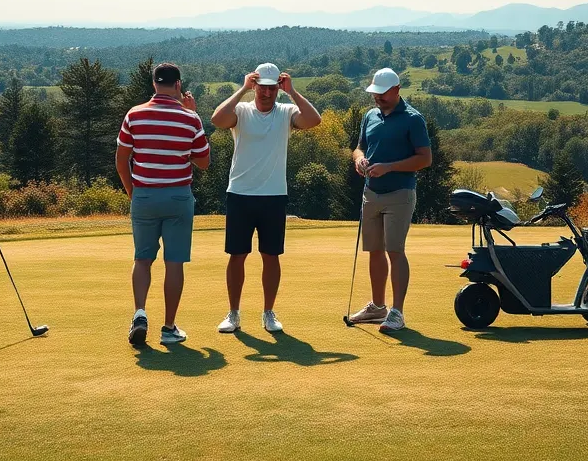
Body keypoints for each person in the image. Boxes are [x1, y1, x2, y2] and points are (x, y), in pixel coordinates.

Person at [210, 63, 321, 334]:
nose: (267, 93)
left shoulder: (286, 112)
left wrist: (293, 91)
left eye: (272, 88)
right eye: (263, 87)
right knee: (237, 255)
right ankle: (234, 313)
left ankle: (268, 312)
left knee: (271, 256)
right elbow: (217, 119)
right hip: (240, 193)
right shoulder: (241, 110)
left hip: (273, 195)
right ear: (255, 86)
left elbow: (314, 120)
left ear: (278, 88)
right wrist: (242, 89)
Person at [116, 62, 210, 346]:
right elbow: (204, 162)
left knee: (142, 258)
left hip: (144, 194)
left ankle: (140, 313)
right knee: (174, 262)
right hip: (178, 196)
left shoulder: (135, 114)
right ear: (178, 85)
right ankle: (169, 329)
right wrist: (192, 112)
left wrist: (134, 193)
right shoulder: (189, 117)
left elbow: (122, 161)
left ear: (154, 85)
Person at [348, 67, 432, 333]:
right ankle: (378, 306)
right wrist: (359, 159)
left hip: (400, 194)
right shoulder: (369, 116)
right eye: (375, 94)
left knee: (394, 251)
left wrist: (390, 167)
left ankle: (397, 312)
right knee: (374, 250)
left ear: (396, 90)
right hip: (371, 192)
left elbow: (424, 158)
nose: (377, 98)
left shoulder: (412, 119)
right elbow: (359, 147)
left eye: (382, 94)